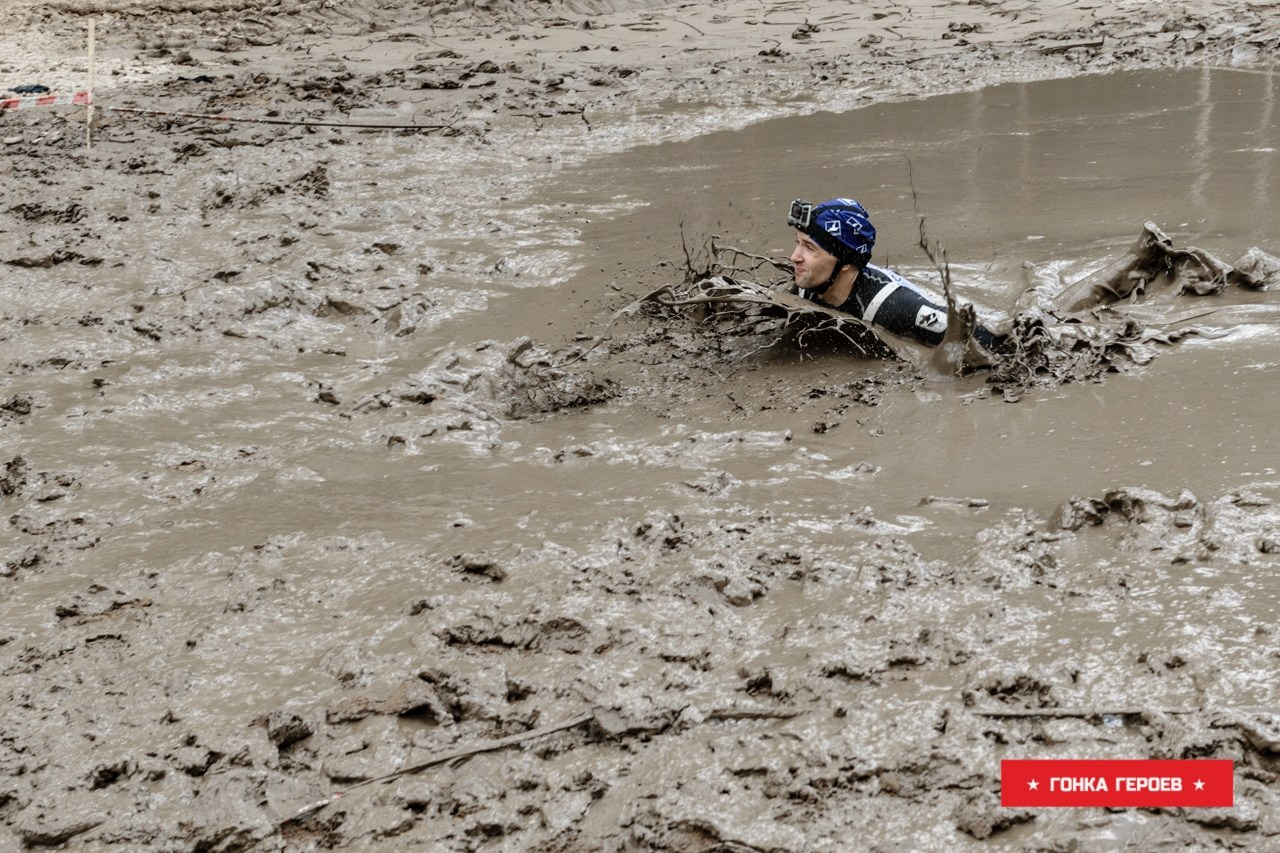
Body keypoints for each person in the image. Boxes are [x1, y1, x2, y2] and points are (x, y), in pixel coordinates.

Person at [786, 198, 1005, 351]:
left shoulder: (895, 307)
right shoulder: (805, 286)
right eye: (798, 243)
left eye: (809, 248)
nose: (794, 257)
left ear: (846, 263)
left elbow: (978, 339)